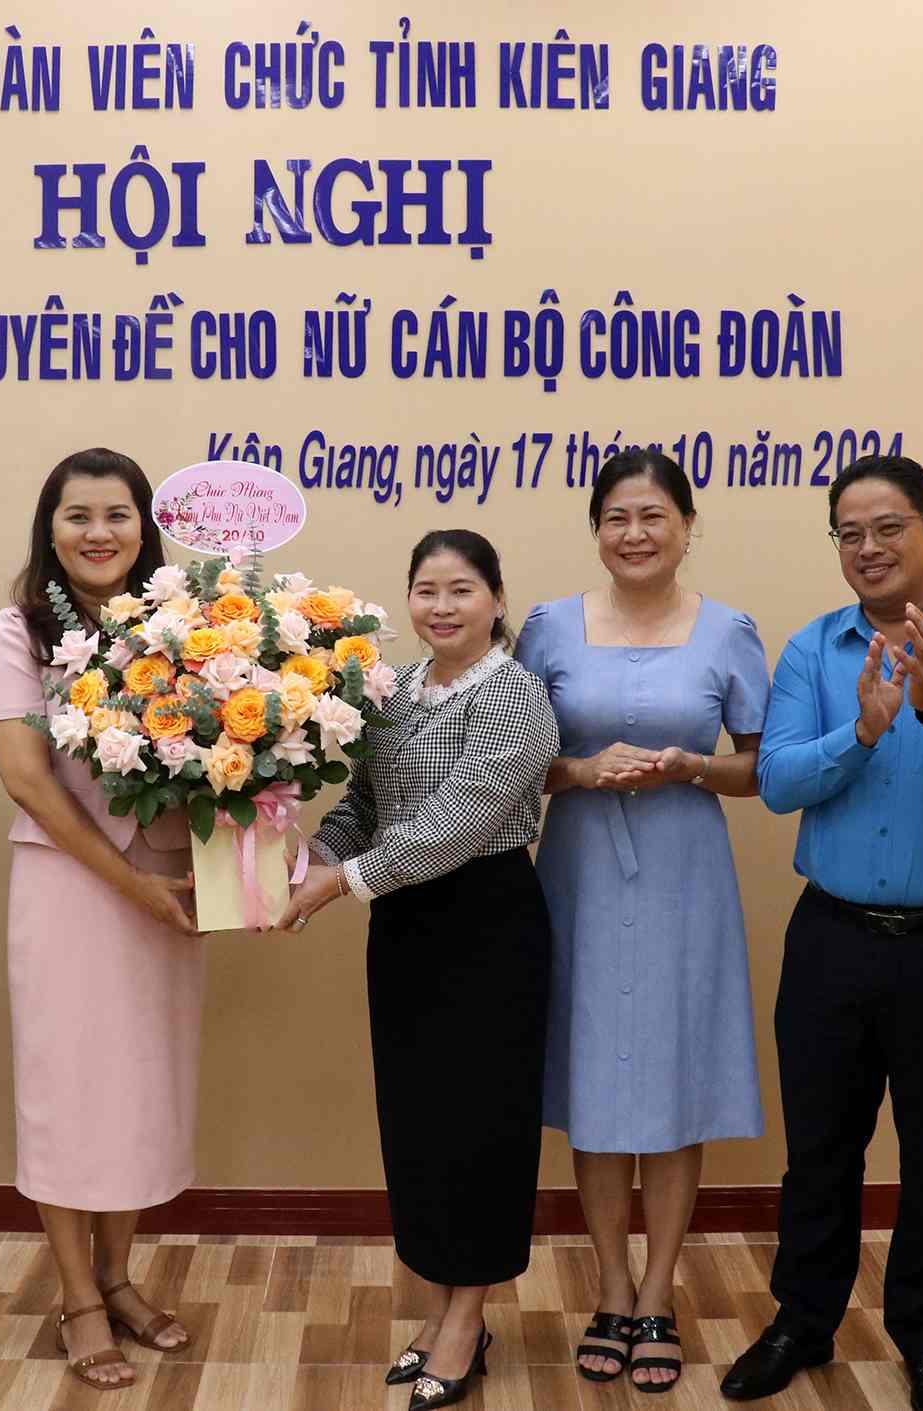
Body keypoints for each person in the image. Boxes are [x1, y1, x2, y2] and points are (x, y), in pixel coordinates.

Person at [722, 456, 923, 1411]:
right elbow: (778, 782)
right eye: (848, 533)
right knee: (820, 1147)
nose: (868, 549)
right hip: (832, 937)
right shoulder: (810, 653)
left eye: (888, 527)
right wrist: (861, 733)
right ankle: (802, 1320)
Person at [276, 530, 559, 1411]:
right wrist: (303, 861)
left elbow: (460, 817)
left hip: (488, 922)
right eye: (426, 589)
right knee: (422, 1122)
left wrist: (340, 882)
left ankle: (467, 1319)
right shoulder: (392, 692)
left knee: (481, 1126)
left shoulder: (517, 695)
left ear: (499, 599)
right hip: (403, 930)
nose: (442, 606)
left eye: (462, 589)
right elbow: (363, 801)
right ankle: (443, 1307)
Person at [514, 450, 768, 1394]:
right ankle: (611, 1290)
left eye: (654, 516)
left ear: (687, 525)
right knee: (593, 1077)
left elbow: (761, 766)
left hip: (682, 873)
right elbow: (512, 764)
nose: (635, 533)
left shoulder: (729, 631)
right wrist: (579, 769)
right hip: (578, 866)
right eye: (617, 517)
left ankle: (660, 1291)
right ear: (597, 528)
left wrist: (685, 766)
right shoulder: (546, 629)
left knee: (671, 1076)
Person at [0, 448, 200, 1394]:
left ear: (144, 527)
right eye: (78, 515)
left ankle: (117, 1276)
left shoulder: (185, 624)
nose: (98, 532)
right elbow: (27, 779)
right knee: (66, 1097)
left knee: (140, 1087)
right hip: (69, 887)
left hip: (167, 883)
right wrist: (127, 881)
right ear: (50, 526)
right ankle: (76, 1297)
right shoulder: (14, 631)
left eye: (118, 513)